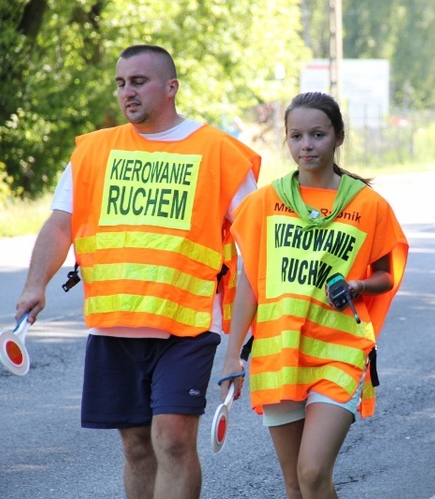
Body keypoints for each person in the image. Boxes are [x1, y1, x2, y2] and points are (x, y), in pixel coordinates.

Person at [14, 44, 261, 499]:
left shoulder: (220, 153)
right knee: (136, 447)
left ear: (171, 87)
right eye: (121, 83)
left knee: (172, 437)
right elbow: (60, 223)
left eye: (139, 82)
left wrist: (244, 338)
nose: (127, 92)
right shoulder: (93, 151)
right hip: (114, 324)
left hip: (186, 324)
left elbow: (257, 248)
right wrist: (35, 286)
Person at [218, 91, 408, 498]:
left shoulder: (368, 204)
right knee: (293, 484)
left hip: (340, 352)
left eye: (318, 135)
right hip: (279, 352)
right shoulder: (263, 204)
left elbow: (386, 275)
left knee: (313, 472)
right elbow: (251, 283)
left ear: (338, 137)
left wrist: (357, 285)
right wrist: (232, 355)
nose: (306, 145)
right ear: (286, 140)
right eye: (296, 136)